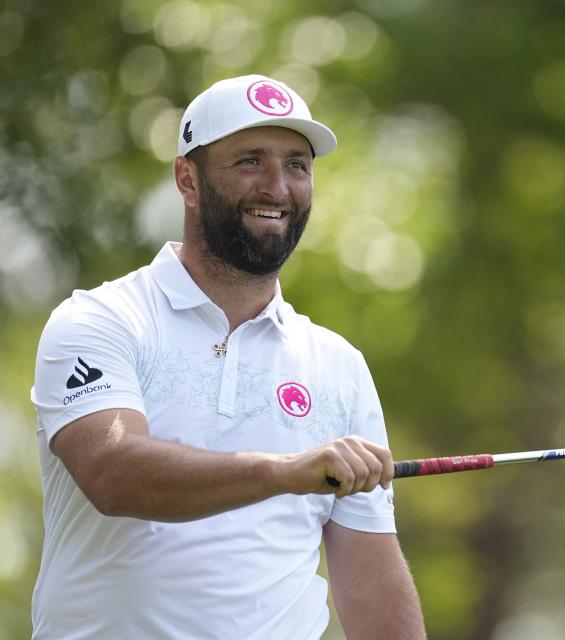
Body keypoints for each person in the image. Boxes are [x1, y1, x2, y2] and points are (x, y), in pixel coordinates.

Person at [30, 74, 427, 639]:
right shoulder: (101, 320)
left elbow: (369, 579)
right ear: (187, 180)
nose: (278, 187)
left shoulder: (338, 364)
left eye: (297, 165)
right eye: (249, 161)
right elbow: (112, 473)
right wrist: (285, 472)